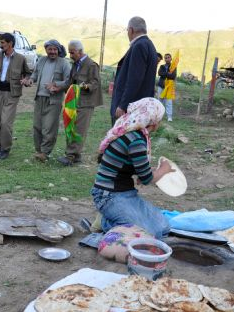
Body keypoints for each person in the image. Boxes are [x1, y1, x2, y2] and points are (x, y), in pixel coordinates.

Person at [91, 97, 172, 239]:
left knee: (163, 227)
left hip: (126, 193)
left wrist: (148, 172)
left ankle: (114, 219)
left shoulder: (132, 132)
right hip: (108, 196)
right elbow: (147, 179)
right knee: (145, 234)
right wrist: (164, 169)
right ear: (154, 120)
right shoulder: (136, 139)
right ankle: (104, 222)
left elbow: (139, 171)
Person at [56, 40, 102, 166]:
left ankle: (70, 156)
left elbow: (96, 83)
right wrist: (57, 86)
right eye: (70, 53)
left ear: (80, 51)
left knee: (79, 129)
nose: (70, 55)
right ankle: (76, 156)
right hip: (74, 101)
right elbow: (70, 81)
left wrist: (86, 86)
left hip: (85, 102)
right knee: (70, 126)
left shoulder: (91, 65)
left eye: (72, 53)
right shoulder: (75, 64)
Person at [25, 39, 71, 163]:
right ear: (46, 50)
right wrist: (30, 80)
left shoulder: (64, 63)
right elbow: (34, 75)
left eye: (54, 49)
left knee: (49, 127)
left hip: (54, 100)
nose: (52, 52)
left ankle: (45, 152)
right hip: (39, 97)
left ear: (58, 50)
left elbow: (69, 80)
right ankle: (39, 151)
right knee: (37, 126)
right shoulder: (41, 60)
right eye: (50, 49)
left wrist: (56, 84)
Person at [0, 33, 31, 160]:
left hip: (12, 94)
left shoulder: (20, 58)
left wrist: (26, 80)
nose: (0, 45)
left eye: (3, 43)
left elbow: (27, 73)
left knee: (5, 123)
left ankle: (5, 149)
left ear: (10, 43)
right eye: (0, 43)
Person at [110, 16, 158, 124]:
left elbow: (134, 79)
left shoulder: (139, 46)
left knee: (122, 139)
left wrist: (123, 105)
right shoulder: (149, 45)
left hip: (131, 109)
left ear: (131, 30)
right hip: (140, 107)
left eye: (127, 30)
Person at [157, 53, 177, 122]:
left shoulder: (173, 67)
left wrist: (165, 74)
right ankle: (158, 115)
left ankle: (169, 116)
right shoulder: (162, 66)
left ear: (171, 58)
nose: (167, 59)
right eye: (165, 58)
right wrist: (168, 74)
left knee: (169, 101)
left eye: (168, 57)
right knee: (160, 100)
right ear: (164, 59)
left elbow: (173, 76)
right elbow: (159, 73)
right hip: (161, 86)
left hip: (169, 86)